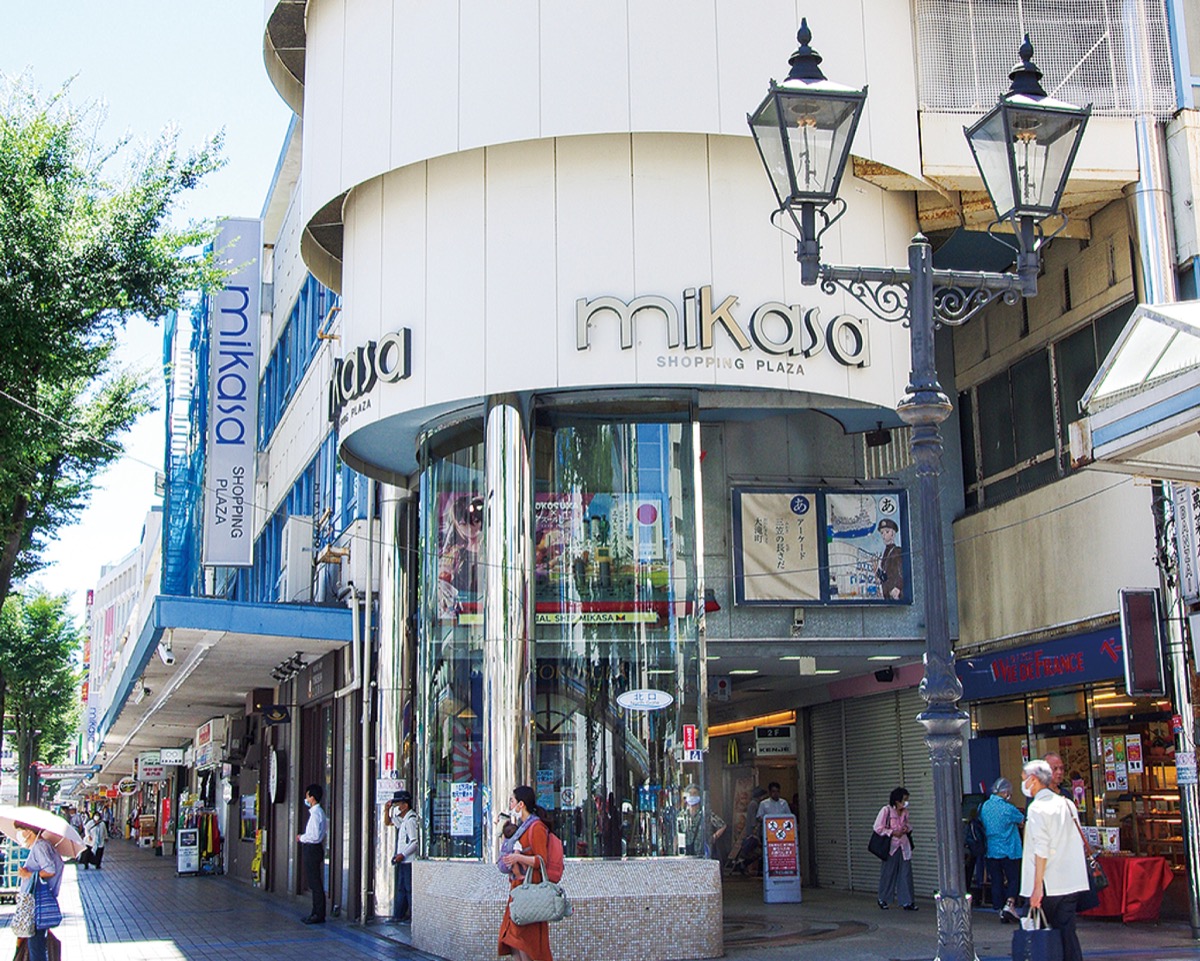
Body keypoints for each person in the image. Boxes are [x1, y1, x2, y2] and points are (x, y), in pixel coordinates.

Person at [1019, 759, 1089, 961]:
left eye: (1024, 779)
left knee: (1039, 937)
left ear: (1034, 779)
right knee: (1067, 935)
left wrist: (1036, 887)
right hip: (1071, 882)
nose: (1023, 784)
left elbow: (1041, 849)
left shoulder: (1037, 808)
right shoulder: (1067, 804)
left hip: (1048, 884)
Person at [497, 785, 553, 961]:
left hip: (530, 890)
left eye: (512, 801)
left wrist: (518, 858)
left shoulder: (536, 827)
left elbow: (541, 860)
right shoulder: (520, 828)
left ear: (521, 804)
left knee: (526, 941)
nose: (510, 805)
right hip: (518, 889)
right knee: (513, 939)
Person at [15, 820, 64, 961]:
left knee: (35, 946)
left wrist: (28, 874)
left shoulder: (40, 846)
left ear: (29, 831)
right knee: (35, 944)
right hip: (36, 903)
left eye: (20, 830)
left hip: (36, 903)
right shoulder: (43, 845)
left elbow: (50, 870)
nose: (19, 834)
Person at [980, 777, 1024, 921]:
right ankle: (1009, 904)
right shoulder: (1008, 808)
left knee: (996, 880)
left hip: (991, 850)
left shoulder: (985, 806)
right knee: (1013, 878)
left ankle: (1000, 909)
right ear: (1005, 792)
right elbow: (1021, 819)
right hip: (1009, 850)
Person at [437, 494, 483, 614]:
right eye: (464, 523)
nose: (472, 527)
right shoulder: (457, 553)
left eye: (475, 521)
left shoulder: (483, 545)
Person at [873, 786, 917, 910]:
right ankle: (883, 898)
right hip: (891, 847)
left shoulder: (905, 812)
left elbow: (908, 825)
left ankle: (907, 901)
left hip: (904, 846)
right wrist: (891, 832)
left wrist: (907, 828)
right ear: (897, 801)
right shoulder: (886, 811)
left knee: (906, 873)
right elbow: (877, 827)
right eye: (904, 800)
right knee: (888, 872)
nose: (906, 803)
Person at [296, 784, 328, 924]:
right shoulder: (319, 813)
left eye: (307, 796)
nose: (306, 799)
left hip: (312, 848)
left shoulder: (316, 814)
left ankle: (318, 913)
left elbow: (314, 836)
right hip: (315, 848)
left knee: (315, 883)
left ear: (312, 797)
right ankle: (316, 912)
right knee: (314, 881)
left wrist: (301, 838)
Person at [385, 790, 419, 922]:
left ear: (405, 805)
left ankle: (412, 916)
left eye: (398, 804)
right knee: (402, 888)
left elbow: (415, 842)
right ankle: (399, 915)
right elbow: (388, 822)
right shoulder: (404, 820)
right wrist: (387, 810)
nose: (397, 808)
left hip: (409, 860)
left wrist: (403, 854)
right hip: (403, 860)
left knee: (408, 889)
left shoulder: (411, 820)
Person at [681, 788, 727, 860]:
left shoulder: (705, 814)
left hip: (702, 854)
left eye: (694, 793)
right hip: (686, 854)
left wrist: (713, 837)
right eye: (690, 793)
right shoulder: (682, 815)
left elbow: (722, 825)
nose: (692, 795)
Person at [875, 518, 905, 600]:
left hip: (896, 596)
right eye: (882, 533)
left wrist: (898, 587)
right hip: (887, 596)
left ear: (893, 534)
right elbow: (887, 576)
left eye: (887, 532)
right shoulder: (885, 553)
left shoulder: (897, 551)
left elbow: (903, 571)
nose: (884, 535)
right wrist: (879, 576)